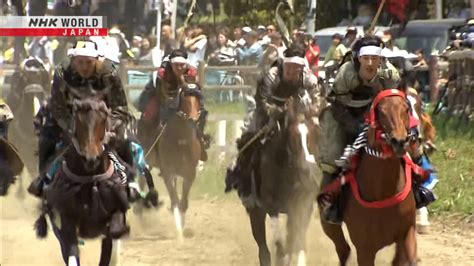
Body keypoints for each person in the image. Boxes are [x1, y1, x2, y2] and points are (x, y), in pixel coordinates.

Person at [317, 36, 435, 225]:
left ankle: (420, 193)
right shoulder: (345, 74)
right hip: (346, 114)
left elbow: (398, 101)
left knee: (410, 145)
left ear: (381, 59)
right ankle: (330, 202)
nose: (371, 62)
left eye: (375, 57)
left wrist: (403, 126)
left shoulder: (390, 74)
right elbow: (337, 105)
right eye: (366, 58)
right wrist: (354, 126)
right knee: (332, 157)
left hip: (380, 113)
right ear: (358, 59)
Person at [28, 40, 133, 236]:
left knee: (127, 141)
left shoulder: (109, 73)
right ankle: (43, 183)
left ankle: (131, 182)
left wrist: (108, 126)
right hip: (68, 121)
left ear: (96, 61)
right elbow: (58, 106)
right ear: (73, 60)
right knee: (45, 141)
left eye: (89, 62)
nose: (84, 67)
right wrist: (73, 128)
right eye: (80, 62)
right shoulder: (62, 73)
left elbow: (120, 107)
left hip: (103, 121)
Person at [225, 44, 324, 196]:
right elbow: (263, 100)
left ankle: (322, 174)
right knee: (250, 135)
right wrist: (274, 111)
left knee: (315, 130)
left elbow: (316, 94)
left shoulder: (307, 76)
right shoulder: (271, 75)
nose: (293, 71)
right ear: (284, 64)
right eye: (289, 67)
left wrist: (315, 110)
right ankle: (238, 171)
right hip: (267, 109)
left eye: (297, 67)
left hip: (296, 109)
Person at [138, 49, 210, 161]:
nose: (180, 68)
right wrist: (172, 106)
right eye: (177, 65)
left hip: (183, 93)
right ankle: (146, 145)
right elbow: (162, 95)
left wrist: (183, 83)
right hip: (160, 92)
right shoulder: (162, 73)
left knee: (202, 113)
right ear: (171, 64)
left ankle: (201, 139)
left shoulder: (192, 72)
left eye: (182, 65)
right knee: (149, 114)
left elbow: (196, 92)